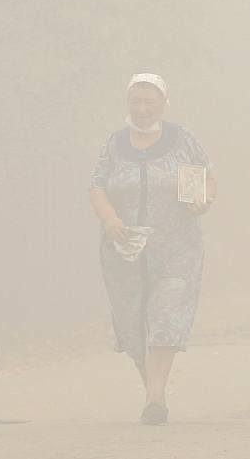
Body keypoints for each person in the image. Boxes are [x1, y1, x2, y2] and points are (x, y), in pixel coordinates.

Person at [89, 73, 216, 425]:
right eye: (136, 101)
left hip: (177, 246)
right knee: (133, 324)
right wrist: (111, 220)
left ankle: (156, 398)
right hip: (124, 248)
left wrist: (202, 200)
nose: (143, 109)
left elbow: (205, 176)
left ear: (163, 104)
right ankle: (152, 390)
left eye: (150, 102)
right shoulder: (114, 144)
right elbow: (97, 186)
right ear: (128, 103)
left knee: (165, 313)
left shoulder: (182, 140)